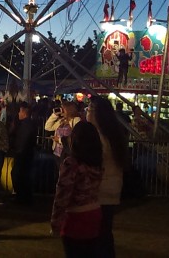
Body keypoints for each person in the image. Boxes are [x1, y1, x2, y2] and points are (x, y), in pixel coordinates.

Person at [51, 121, 104, 257]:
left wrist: (56, 222)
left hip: (75, 216)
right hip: (94, 211)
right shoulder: (97, 163)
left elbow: (62, 194)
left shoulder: (72, 164)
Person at [86, 96, 127, 257]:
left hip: (98, 191)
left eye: (88, 109)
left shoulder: (99, 137)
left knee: (97, 235)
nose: (86, 112)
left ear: (97, 113)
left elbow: (92, 163)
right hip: (112, 190)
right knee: (105, 233)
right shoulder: (113, 135)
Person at [45, 101, 84, 171]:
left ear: (69, 109)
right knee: (57, 174)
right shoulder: (62, 120)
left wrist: (59, 140)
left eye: (63, 108)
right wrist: (55, 115)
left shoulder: (76, 120)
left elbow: (76, 137)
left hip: (67, 153)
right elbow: (47, 127)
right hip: (57, 152)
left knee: (65, 174)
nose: (61, 110)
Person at [10, 102, 36, 205]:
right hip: (25, 153)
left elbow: (23, 140)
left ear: (24, 113)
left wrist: (19, 151)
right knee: (22, 175)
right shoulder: (27, 124)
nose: (18, 114)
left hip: (23, 154)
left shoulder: (26, 125)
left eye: (20, 111)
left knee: (19, 175)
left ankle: (21, 197)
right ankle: (23, 197)